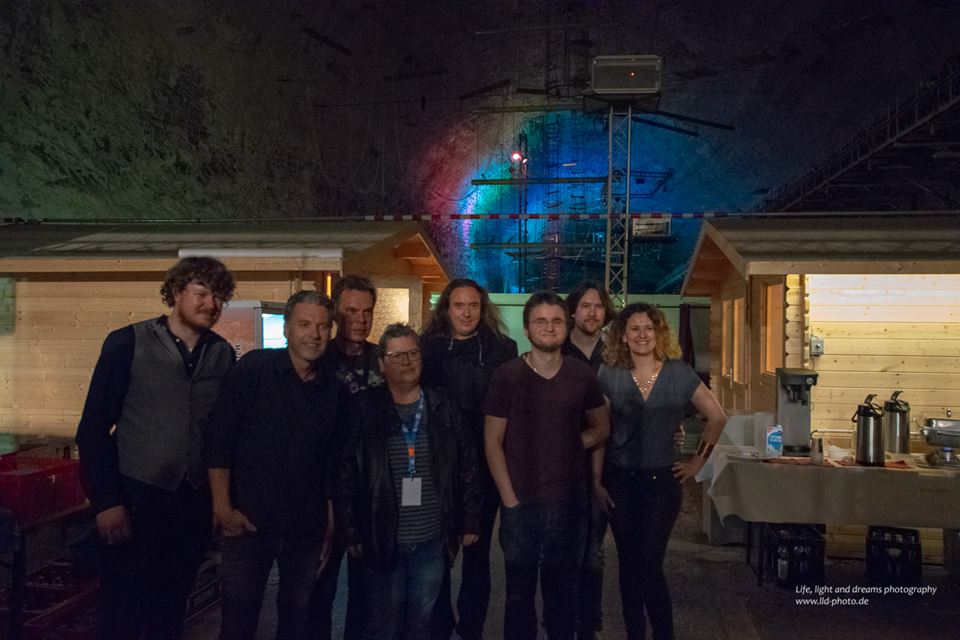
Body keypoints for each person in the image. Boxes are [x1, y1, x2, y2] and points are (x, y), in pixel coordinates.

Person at [76, 256, 236, 640]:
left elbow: (221, 435)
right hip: (135, 500)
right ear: (177, 292)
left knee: (170, 613)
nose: (211, 304)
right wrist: (106, 502)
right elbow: (93, 429)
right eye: (201, 293)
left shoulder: (222, 354)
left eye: (219, 297)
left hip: (190, 508)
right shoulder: (127, 343)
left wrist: (220, 502)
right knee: (122, 615)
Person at [207, 291, 344, 640]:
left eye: (322, 326)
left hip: (305, 529)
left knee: (297, 624)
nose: (314, 334)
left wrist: (329, 524)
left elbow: (331, 461)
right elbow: (220, 438)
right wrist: (222, 508)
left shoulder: (333, 389)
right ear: (286, 329)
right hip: (248, 524)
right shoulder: (254, 369)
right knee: (237, 626)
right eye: (305, 324)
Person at [335, 324, 482, 640]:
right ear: (381, 363)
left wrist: (469, 519)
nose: (406, 361)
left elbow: (468, 465)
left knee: (421, 623)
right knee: (382, 627)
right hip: (383, 539)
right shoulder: (364, 407)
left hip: (431, 540)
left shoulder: (443, 405)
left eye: (413, 353)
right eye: (397, 355)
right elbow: (345, 473)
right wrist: (350, 530)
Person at [594, 303, 726, 640]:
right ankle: (635, 633)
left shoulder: (678, 373)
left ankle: (664, 634)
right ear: (623, 336)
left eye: (648, 328)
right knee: (628, 563)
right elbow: (600, 430)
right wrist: (595, 480)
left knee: (650, 563)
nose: (642, 335)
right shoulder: (609, 374)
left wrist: (698, 462)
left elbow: (717, 417)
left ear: (658, 333)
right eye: (635, 329)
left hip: (661, 482)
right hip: (619, 479)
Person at [484, 291, 610, 640]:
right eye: (540, 321)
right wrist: (508, 499)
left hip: (569, 505)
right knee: (518, 598)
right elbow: (492, 440)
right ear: (527, 329)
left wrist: (571, 442)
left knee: (563, 599)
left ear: (566, 327)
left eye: (556, 321)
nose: (549, 327)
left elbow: (601, 428)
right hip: (521, 504)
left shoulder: (582, 376)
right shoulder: (507, 376)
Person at [421, 278, 518, 640]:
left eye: (473, 305)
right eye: (459, 305)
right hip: (438, 468)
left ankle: (471, 631)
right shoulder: (426, 349)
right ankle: (440, 627)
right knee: (438, 556)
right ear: (446, 309)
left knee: (477, 556)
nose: (466, 313)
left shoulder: (502, 350)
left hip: (485, 466)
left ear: (482, 308)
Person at [311, 274, 382, 639]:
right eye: (352, 311)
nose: (360, 319)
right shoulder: (317, 361)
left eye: (367, 311)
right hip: (322, 493)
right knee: (317, 593)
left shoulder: (382, 360)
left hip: (368, 496)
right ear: (336, 312)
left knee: (367, 598)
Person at [562, 281, 615, 640]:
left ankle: (588, 623)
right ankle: (559, 618)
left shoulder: (615, 353)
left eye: (598, 306)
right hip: (562, 463)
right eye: (585, 305)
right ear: (573, 310)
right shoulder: (557, 348)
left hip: (606, 463)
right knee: (561, 548)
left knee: (593, 551)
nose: (592, 312)